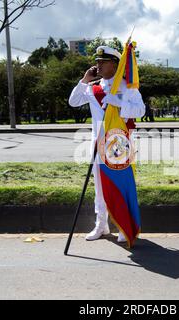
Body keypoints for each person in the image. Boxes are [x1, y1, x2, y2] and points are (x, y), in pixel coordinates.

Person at [68, 46, 146, 242]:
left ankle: (123, 225)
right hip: (98, 144)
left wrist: (119, 104)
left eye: (103, 62)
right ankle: (101, 224)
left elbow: (140, 110)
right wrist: (84, 80)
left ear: (114, 64)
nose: (98, 65)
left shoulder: (127, 86)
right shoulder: (93, 87)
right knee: (100, 187)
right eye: (97, 61)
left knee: (121, 184)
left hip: (119, 143)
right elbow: (73, 101)